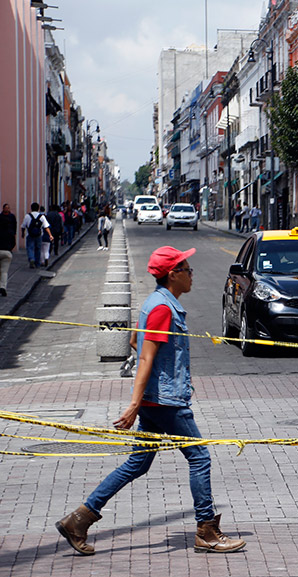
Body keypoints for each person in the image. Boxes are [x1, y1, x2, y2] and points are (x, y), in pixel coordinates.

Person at [56, 246, 246, 555]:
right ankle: (207, 530)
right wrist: (134, 403)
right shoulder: (162, 308)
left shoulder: (156, 304)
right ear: (173, 275)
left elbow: (134, 340)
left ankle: (79, 519)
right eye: (187, 269)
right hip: (166, 402)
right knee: (199, 458)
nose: (192, 274)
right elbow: (144, 356)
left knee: (137, 463)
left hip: (156, 400)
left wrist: (144, 396)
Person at [20, 202, 54, 269]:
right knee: (38, 249)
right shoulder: (42, 217)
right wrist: (50, 235)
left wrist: (23, 233)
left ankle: (31, 259)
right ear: (38, 208)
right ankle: (37, 263)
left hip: (30, 235)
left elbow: (23, 226)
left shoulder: (27, 216)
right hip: (39, 235)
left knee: (30, 248)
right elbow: (46, 226)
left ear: (31, 208)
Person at [0, 203, 17, 296]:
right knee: (4, 271)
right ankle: (3, 287)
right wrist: (10, 249)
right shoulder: (10, 233)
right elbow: (13, 242)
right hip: (7, 252)